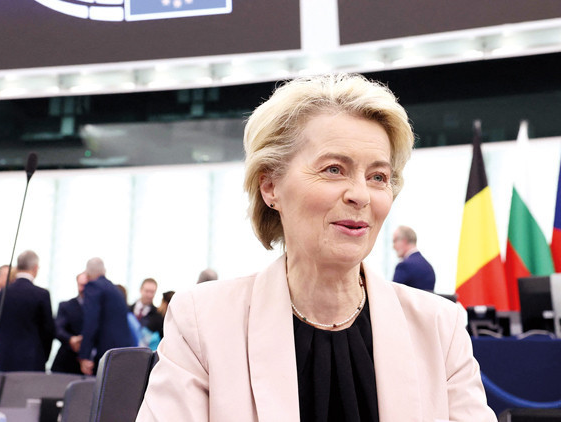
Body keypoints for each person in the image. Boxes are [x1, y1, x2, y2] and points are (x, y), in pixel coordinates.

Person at [138, 74, 496, 421]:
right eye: (334, 169)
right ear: (270, 186)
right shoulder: (202, 322)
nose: (360, 195)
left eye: (378, 177)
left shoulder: (440, 327)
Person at [0, 250, 54, 372]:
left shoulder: (0, 295)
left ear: (17, 267)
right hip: (31, 362)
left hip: (3, 360)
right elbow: (48, 331)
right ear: (35, 268)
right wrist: (42, 356)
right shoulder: (41, 295)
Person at [78, 257, 136, 375]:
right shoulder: (116, 290)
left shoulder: (93, 287)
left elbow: (91, 322)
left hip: (106, 353)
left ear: (88, 273)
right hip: (122, 352)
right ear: (104, 271)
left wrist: (84, 355)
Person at [51, 272, 87, 374]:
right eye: (80, 285)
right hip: (67, 361)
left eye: (85, 285)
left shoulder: (100, 308)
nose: (82, 289)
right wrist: (71, 339)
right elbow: (58, 329)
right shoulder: (66, 306)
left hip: (91, 363)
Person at [392, 225, 437, 291]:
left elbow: (392, 293)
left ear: (404, 241)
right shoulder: (429, 267)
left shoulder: (404, 266)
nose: (393, 246)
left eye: (394, 241)